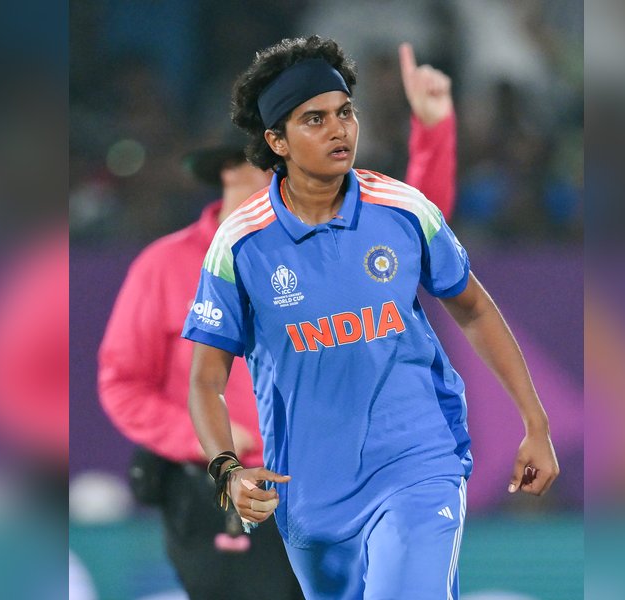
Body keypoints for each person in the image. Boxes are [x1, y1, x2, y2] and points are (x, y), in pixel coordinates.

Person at [183, 36, 559, 599]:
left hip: (418, 461)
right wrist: (227, 471)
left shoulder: (402, 209)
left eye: (345, 112)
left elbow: (475, 307)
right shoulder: (239, 245)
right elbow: (206, 379)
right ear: (277, 141)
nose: (339, 130)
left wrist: (536, 422)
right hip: (307, 492)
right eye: (315, 119)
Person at [99, 41, 459, 599]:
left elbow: (413, 228)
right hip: (235, 490)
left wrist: (433, 130)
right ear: (233, 168)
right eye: (265, 161)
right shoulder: (166, 265)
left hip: (332, 478)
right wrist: (208, 446)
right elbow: (123, 384)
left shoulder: (321, 231)